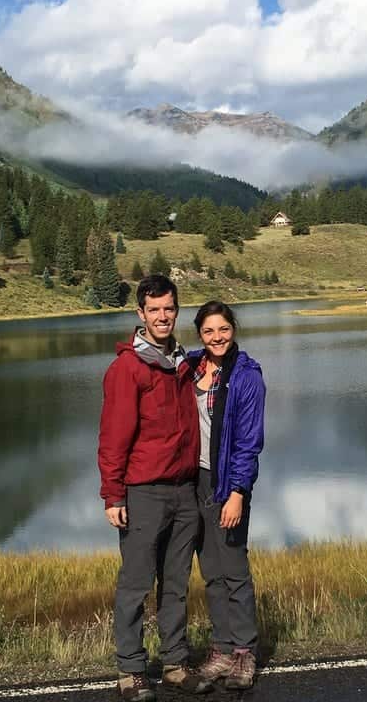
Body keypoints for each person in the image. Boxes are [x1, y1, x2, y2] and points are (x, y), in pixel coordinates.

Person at [98, 275, 212, 701]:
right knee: (136, 582)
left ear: (176, 310)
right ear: (140, 314)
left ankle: (175, 664)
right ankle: (130, 670)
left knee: (177, 582)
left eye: (169, 308)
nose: (163, 316)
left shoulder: (182, 362)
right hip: (143, 492)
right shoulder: (127, 369)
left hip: (184, 491)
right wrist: (113, 494)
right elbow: (113, 438)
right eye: (154, 310)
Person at [188, 301, 266, 690]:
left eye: (223, 329)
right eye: (208, 331)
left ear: (233, 329)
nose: (217, 337)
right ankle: (220, 648)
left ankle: (243, 652)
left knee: (234, 570)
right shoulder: (190, 367)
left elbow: (249, 442)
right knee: (211, 572)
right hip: (195, 482)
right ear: (199, 335)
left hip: (226, 483)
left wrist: (237, 492)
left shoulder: (247, 376)